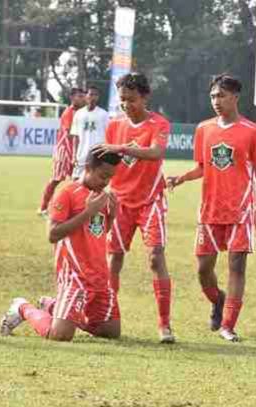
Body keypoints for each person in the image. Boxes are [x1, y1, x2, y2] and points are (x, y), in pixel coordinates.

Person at [166, 74, 256, 343]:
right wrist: (180, 178)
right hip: (210, 210)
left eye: (222, 96)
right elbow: (202, 167)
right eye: (213, 96)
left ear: (235, 97)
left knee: (236, 267)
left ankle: (228, 325)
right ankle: (218, 300)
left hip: (241, 210)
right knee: (203, 270)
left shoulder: (253, 131)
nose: (216, 101)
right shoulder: (204, 129)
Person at [0, 151, 122, 341]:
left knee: (111, 332)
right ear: (88, 168)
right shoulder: (67, 193)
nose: (106, 182)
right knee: (60, 335)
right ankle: (22, 308)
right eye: (102, 176)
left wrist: (111, 216)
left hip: (99, 277)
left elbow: (96, 233)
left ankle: (53, 307)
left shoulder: (101, 197)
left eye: (110, 178)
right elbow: (53, 234)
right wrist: (88, 212)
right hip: (75, 276)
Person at [92, 72, 175, 344]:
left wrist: (122, 148)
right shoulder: (115, 125)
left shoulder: (159, 123)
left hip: (150, 200)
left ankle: (164, 325)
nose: (126, 104)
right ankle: (108, 314)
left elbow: (155, 153)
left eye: (132, 99)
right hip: (119, 201)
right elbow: (107, 163)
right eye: (122, 99)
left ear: (145, 96)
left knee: (155, 258)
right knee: (113, 259)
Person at [38, 87, 86, 216]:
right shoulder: (69, 112)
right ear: (72, 98)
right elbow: (70, 133)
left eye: (83, 96)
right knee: (56, 179)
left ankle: (75, 208)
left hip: (76, 151)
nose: (83, 99)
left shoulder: (83, 113)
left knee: (78, 181)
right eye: (79, 96)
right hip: (65, 151)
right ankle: (43, 207)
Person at [70, 85, 109, 180]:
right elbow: (75, 136)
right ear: (86, 96)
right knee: (76, 182)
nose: (93, 97)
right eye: (91, 94)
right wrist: (74, 156)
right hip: (81, 155)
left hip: (97, 156)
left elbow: (109, 135)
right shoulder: (79, 114)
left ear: (98, 97)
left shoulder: (103, 114)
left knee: (95, 183)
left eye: (96, 95)